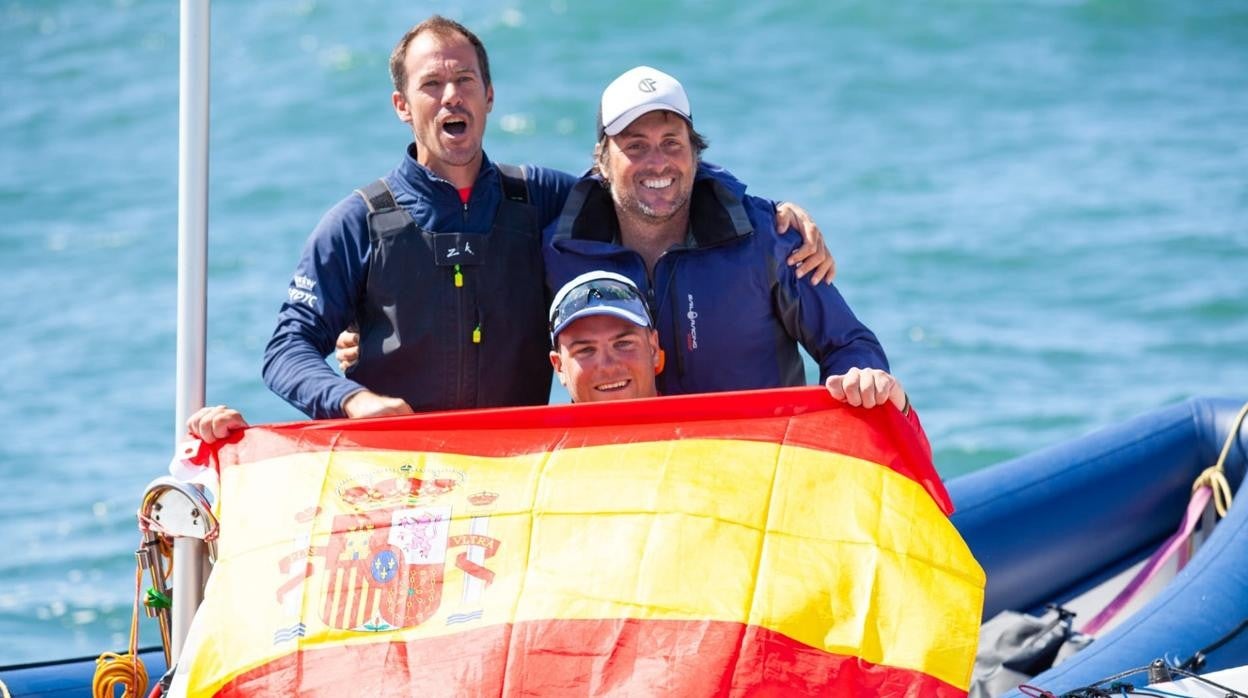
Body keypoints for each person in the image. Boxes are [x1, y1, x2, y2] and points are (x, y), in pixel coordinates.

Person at [264, 16, 834, 422]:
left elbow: (648, 184)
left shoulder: (540, 198)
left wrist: (770, 214)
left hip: (516, 472)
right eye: (430, 85)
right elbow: (286, 349)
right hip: (400, 472)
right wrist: (350, 400)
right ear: (401, 106)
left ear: (489, 95)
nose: (450, 98)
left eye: (464, 81)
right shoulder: (358, 223)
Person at [543, 66, 915, 423]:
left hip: (756, 470)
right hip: (630, 472)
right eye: (635, 146)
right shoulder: (560, 252)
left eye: (671, 143)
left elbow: (848, 344)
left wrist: (860, 377)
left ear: (694, 153)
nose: (657, 163)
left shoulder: (768, 237)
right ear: (602, 162)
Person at [190, 272, 908, 442]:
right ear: (556, 368)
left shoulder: (730, 447)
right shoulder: (534, 468)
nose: (607, 365)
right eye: (584, 350)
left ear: (658, 352)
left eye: (625, 344)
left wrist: (868, 390)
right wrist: (236, 445)